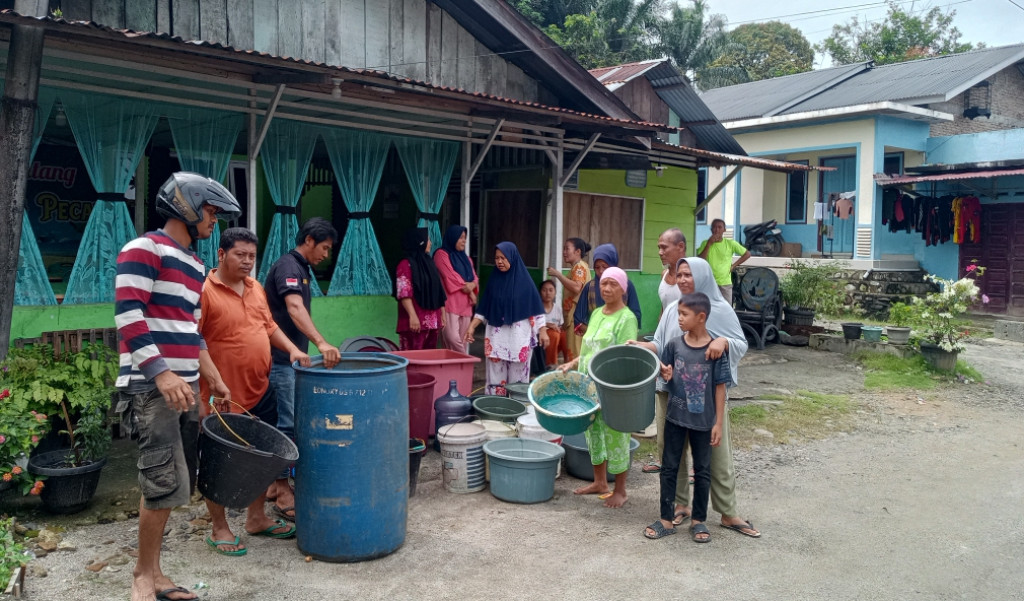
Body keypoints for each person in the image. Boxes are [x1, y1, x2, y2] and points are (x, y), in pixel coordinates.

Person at [114, 172, 238, 601]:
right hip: (153, 388)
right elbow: (128, 314)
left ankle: (156, 571)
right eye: (210, 211)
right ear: (185, 205)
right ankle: (142, 578)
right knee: (161, 481)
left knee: (172, 487)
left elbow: (190, 330)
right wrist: (162, 374)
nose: (214, 221)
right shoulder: (144, 248)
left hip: (184, 390)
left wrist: (215, 379)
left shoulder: (193, 263)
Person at [197, 227, 312, 556]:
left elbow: (268, 326)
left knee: (264, 458)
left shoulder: (255, 287)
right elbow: (194, 341)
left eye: (251, 256)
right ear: (221, 254)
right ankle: (220, 527)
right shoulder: (205, 291)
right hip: (221, 399)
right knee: (218, 464)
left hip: (260, 390)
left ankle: (257, 518)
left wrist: (292, 350)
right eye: (240, 255)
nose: (248, 262)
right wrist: (209, 385)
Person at [630, 257, 760, 538]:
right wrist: (644, 345)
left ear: (702, 276)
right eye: (680, 274)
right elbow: (663, 343)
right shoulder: (674, 309)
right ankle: (680, 506)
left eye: (689, 274)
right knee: (670, 451)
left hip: (707, 398)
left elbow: (741, 343)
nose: (683, 279)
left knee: (716, 455)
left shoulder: (720, 309)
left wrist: (724, 341)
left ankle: (728, 512)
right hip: (672, 392)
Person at [264, 217, 341, 521]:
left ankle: (272, 484)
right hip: (279, 361)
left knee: (281, 422)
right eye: (324, 247)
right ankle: (283, 491)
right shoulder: (289, 266)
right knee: (285, 425)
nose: (326, 254)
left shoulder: (302, 270)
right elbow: (294, 308)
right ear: (309, 240)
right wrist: (321, 343)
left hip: (288, 361)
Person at [644, 292, 730, 543]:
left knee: (703, 471)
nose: (679, 318)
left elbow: (720, 387)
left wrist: (718, 424)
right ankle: (665, 519)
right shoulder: (673, 345)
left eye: (684, 314)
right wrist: (666, 372)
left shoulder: (715, 351)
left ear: (701, 317)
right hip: (675, 418)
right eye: (678, 313)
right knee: (669, 468)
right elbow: (667, 374)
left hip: (704, 422)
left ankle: (699, 521)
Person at [557, 267, 637, 508]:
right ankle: (600, 482)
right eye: (604, 283)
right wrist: (573, 362)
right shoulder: (596, 314)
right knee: (593, 433)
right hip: (588, 385)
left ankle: (620, 490)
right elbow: (589, 349)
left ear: (623, 288)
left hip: (611, 386)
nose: (607, 288)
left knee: (616, 435)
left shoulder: (627, 318)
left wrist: (617, 387)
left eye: (613, 284)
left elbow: (626, 356)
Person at [464, 242, 549, 395]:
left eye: (503, 258)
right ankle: (495, 408)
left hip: (519, 340)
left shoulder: (526, 283)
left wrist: (542, 331)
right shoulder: (493, 281)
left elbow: (536, 310)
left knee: (518, 381)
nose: (499, 262)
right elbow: (484, 308)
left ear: (512, 257)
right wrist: (472, 327)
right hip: (497, 340)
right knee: (495, 378)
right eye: (496, 258)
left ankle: (516, 408)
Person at [642, 227, 688, 474]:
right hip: (665, 347)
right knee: (664, 403)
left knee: (686, 406)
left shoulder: (691, 277)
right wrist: (656, 339)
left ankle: (689, 467)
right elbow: (665, 310)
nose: (659, 252)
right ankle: (664, 460)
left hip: (687, 352)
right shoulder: (663, 275)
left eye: (664, 247)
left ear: (680, 247)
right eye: (658, 247)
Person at [572, 243, 641, 334]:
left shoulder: (626, 285)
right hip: (594, 342)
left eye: (605, 267)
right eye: (597, 267)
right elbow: (578, 320)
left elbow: (635, 317)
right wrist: (597, 334)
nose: (601, 271)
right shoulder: (590, 287)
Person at [396, 227, 446, 350]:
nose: (430, 243)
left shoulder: (429, 263)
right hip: (414, 321)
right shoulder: (405, 264)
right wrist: (412, 316)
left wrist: (442, 314)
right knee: (413, 356)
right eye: (428, 239)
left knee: (429, 357)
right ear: (420, 241)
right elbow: (404, 293)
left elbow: (438, 290)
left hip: (433, 320)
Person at [433, 224, 478, 353]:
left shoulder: (467, 259)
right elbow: (451, 276)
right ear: (452, 238)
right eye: (461, 238)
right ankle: (464, 359)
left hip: (466, 306)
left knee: (463, 340)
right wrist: (470, 292)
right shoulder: (441, 255)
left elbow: (475, 278)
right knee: (451, 338)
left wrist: (472, 285)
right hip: (449, 304)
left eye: (465, 238)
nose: (464, 241)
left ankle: (459, 369)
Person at [546, 237, 591, 358]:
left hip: (576, 317)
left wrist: (557, 274)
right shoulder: (577, 267)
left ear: (578, 252)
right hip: (574, 317)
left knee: (574, 354)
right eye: (564, 249)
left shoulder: (579, 267)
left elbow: (577, 287)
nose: (564, 252)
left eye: (567, 249)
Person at [697, 219, 750, 303]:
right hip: (708, 283)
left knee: (726, 310)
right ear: (711, 229)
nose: (717, 230)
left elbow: (747, 254)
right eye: (714, 227)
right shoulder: (705, 243)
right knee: (708, 309)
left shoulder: (730, 244)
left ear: (724, 230)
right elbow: (700, 259)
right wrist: (709, 244)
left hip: (725, 283)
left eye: (719, 227)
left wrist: (733, 265)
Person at [539, 279, 564, 369]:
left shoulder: (558, 308)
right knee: (554, 335)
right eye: (544, 290)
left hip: (556, 339)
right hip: (541, 337)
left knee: (564, 335)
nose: (547, 293)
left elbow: (561, 325)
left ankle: (568, 363)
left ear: (555, 292)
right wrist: (548, 325)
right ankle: (550, 364)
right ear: (540, 292)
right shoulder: (537, 307)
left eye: (550, 290)